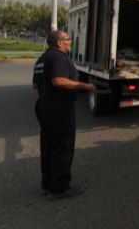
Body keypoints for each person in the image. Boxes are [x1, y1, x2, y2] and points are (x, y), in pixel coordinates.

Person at [33, 30, 96, 199]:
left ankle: (48, 183)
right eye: (68, 39)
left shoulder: (41, 59)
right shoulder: (59, 57)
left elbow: (35, 85)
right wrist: (85, 86)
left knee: (48, 146)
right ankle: (59, 188)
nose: (70, 42)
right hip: (59, 107)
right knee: (63, 146)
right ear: (60, 42)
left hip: (44, 105)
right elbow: (58, 81)